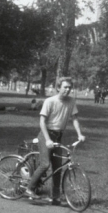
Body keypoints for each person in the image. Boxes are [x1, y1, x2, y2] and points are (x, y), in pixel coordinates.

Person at [24, 76, 86, 205]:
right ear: (58, 88)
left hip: (58, 136)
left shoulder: (71, 101)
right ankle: (29, 188)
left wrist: (79, 134)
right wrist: (47, 139)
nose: (68, 90)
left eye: (70, 87)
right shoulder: (50, 101)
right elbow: (42, 122)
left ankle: (56, 197)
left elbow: (74, 118)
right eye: (65, 87)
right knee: (45, 164)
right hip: (46, 134)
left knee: (58, 167)